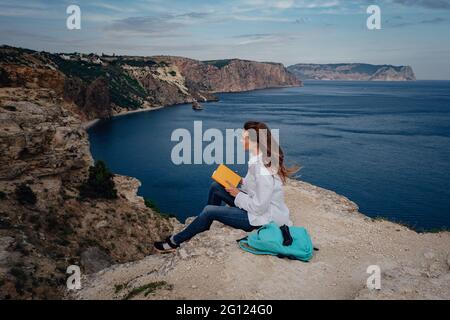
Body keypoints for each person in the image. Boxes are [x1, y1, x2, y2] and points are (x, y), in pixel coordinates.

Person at [154, 121, 298, 253]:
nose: (241, 140)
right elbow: (256, 187)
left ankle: (174, 242)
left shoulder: (263, 168)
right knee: (216, 186)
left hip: (261, 219)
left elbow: (259, 207)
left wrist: (237, 194)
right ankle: (204, 224)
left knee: (209, 211)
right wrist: (239, 181)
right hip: (258, 209)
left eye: (244, 137)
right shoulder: (259, 159)